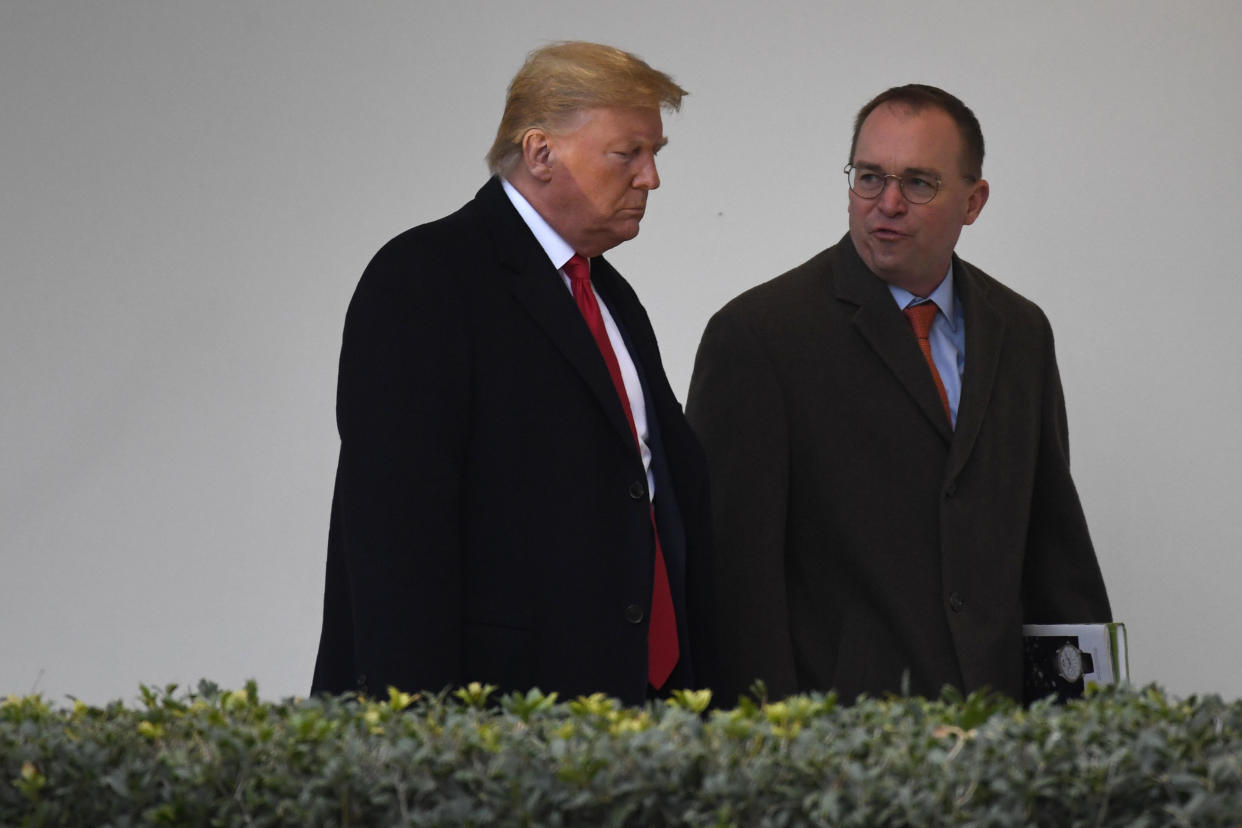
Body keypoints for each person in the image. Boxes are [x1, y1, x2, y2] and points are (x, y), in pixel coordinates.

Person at [311, 42, 713, 706]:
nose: (650, 178)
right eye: (628, 154)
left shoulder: (609, 294)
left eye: (655, 154)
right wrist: (421, 735)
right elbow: (395, 537)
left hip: (635, 711)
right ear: (540, 153)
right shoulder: (425, 277)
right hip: (497, 725)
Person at [686, 84, 1110, 705]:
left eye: (918, 183)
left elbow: (1051, 542)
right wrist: (766, 754)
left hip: (999, 738)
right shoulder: (759, 337)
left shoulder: (1020, 331)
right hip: (843, 746)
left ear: (974, 200)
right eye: (868, 177)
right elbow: (733, 584)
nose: (886, 203)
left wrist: (1078, 727)